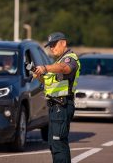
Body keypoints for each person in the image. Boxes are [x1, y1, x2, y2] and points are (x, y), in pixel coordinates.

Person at [33, 32, 80, 163]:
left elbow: (65, 68)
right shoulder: (58, 62)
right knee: (53, 143)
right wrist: (40, 76)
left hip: (63, 106)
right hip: (55, 107)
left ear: (63, 43)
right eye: (50, 46)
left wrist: (45, 68)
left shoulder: (69, 59)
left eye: (54, 45)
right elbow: (51, 83)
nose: (52, 48)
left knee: (58, 143)